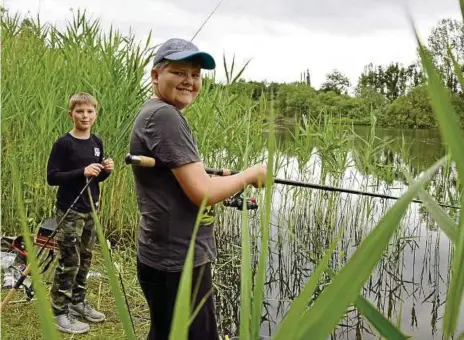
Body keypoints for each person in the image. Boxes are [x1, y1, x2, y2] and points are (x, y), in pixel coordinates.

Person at [129, 38, 268, 340]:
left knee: (165, 332)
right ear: (156, 75)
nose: (189, 81)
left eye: (195, 75)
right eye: (179, 72)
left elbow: (189, 180)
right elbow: (202, 192)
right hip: (178, 258)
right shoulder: (165, 117)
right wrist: (249, 175)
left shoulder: (155, 112)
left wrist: (222, 177)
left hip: (163, 252)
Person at [46, 92, 114, 334]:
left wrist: (105, 170)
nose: (85, 116)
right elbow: (52, 177)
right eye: (80, 111)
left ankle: (77, 302)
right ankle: (59, 311)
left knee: (85, 258)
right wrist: (81, 171)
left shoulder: (96, 142)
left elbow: (96, 178)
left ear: (95, 114)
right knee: (68, 260)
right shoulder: (63, 143)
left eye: (89, 111)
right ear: (71, 114)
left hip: (91, 210)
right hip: (70, 210)